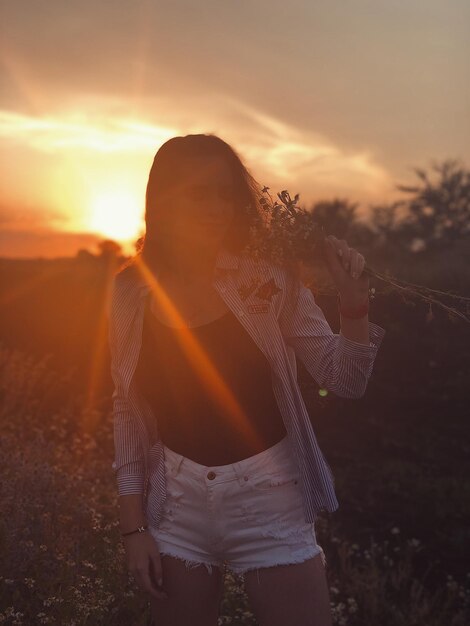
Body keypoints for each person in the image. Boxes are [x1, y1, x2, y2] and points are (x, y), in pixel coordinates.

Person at [107, 133, 386, 626]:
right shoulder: (131, 292)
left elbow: (344, 378)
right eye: (199, 193)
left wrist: (354, 306)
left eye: (226, 194)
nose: (217, 208)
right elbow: (127, 413)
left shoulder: (267, 279)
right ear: (164, 201)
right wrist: (134, 531)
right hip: (176, 504)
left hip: (269, 497)